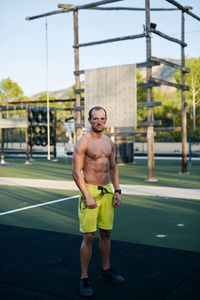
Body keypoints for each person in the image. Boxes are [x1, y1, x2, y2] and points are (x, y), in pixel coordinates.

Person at [72, 106, 125, 297]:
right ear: (89, 120)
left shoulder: (109, 142)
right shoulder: (83, 143)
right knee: (89, 236)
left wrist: (117, 190)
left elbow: (113, 167)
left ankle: (105, 270)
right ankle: (84, 278)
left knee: (106, 233)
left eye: (102, 118)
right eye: (95, 118)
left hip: (107, 192)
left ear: (106, 120)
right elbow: (76, 172)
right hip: (91, 191)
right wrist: (87, 195)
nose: (99, 121)